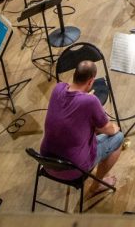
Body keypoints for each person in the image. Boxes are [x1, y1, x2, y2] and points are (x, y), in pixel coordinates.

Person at [40, 60, 124, 192]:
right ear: (91, 81)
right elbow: (108, 129)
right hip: (73, 170)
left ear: (74, 74)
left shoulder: (58, 88)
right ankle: (96, 185)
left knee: (89, 128)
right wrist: (115, 128)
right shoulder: (90, 101)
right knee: (118, 137)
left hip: (47, 163)